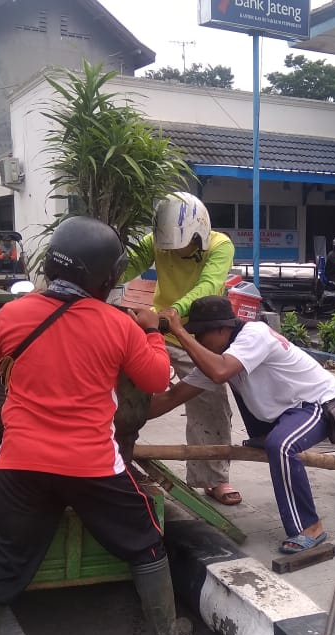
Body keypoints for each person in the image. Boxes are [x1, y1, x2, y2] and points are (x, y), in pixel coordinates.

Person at [0, 216, 192, 635]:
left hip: (21, 464)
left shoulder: (13, 315)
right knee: (144, 540)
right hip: (93, 466)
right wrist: (151, 330)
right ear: (103, 277)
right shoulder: (117, 325)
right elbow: (155, 378)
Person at [149, 296, 335, 554]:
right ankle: (268, 437)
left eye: (200, 335)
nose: (198, 341)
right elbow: (172, 397)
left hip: (317, 404)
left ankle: (310, 527)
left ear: (221, 329)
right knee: (274, 439)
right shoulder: (223, 354)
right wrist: (121, 420)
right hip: (282, 414)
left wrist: (178, 330)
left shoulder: (254, 334)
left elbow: (220, 372)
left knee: (281, 446)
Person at [121, 193, 241, 506]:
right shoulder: (154, 241)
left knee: (211, 403)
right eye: (167, 248)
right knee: (121, 390)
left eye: (181, 247)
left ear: (199, 234)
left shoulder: (220, 245)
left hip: (197, 336)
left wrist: (173, 313)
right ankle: (115, 454)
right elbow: (128, 267)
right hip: (159, 330)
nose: (172, 252)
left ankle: (214, 479)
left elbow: (209, 286)